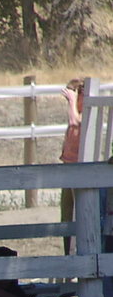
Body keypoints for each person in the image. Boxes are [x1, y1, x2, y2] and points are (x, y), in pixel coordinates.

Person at [59, 78, 84, 255]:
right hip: (68, 165)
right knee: (67, 214)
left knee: (79, 213)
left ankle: (76, 250)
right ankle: (68, 252)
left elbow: (75, 122)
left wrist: (72, 101)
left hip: (78, 166)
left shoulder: (85, 111)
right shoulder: (76, 108)